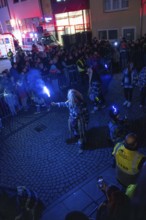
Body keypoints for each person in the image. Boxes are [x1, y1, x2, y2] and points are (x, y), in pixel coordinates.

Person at [51, 89, 89, 154]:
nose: (71, 100)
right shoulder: (69, 102)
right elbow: (63, 104)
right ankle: (78, 138)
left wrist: (86, 122)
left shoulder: (82, 104)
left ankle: (81, 146)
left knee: (81, 133)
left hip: (80, 121)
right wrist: (56, 104)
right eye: (70, 98)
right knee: (75, 132)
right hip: (72, 120)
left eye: (72, 98)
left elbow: (86, 113)